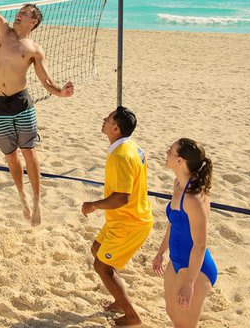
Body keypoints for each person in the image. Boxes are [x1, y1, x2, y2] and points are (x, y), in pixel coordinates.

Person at [0, 0, 74, 226]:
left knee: (29, 152)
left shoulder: (34, 49)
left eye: (26, 14)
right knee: (10, 157)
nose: (19, 14)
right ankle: (22, 198)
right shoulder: (1, 30)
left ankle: (38, 200)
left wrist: (61, 93)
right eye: (20, 11)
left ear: (34, 23)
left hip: (21, 103)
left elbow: (46, 81)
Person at [81, 107, 153, 326]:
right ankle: (119, 300)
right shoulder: (129, 147)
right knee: (97, 250)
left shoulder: (122, 155)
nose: (104, 119)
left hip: (130, 222)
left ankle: (132, 316)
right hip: (123, 218)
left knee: (101, 266)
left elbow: (121, 197)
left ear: (116, 127)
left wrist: (94, 205)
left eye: (109, 118)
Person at [153, 138, 217, 327]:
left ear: (180, 161)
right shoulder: (179, 185)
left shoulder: (193, 198)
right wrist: (160, 251)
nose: (166, 153)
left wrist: (190, 283)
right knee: (172, 312)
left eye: (170, 151)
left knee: (185, 324)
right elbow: (174, 223)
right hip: (176, 259)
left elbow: (200, 244)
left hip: (195, 268)